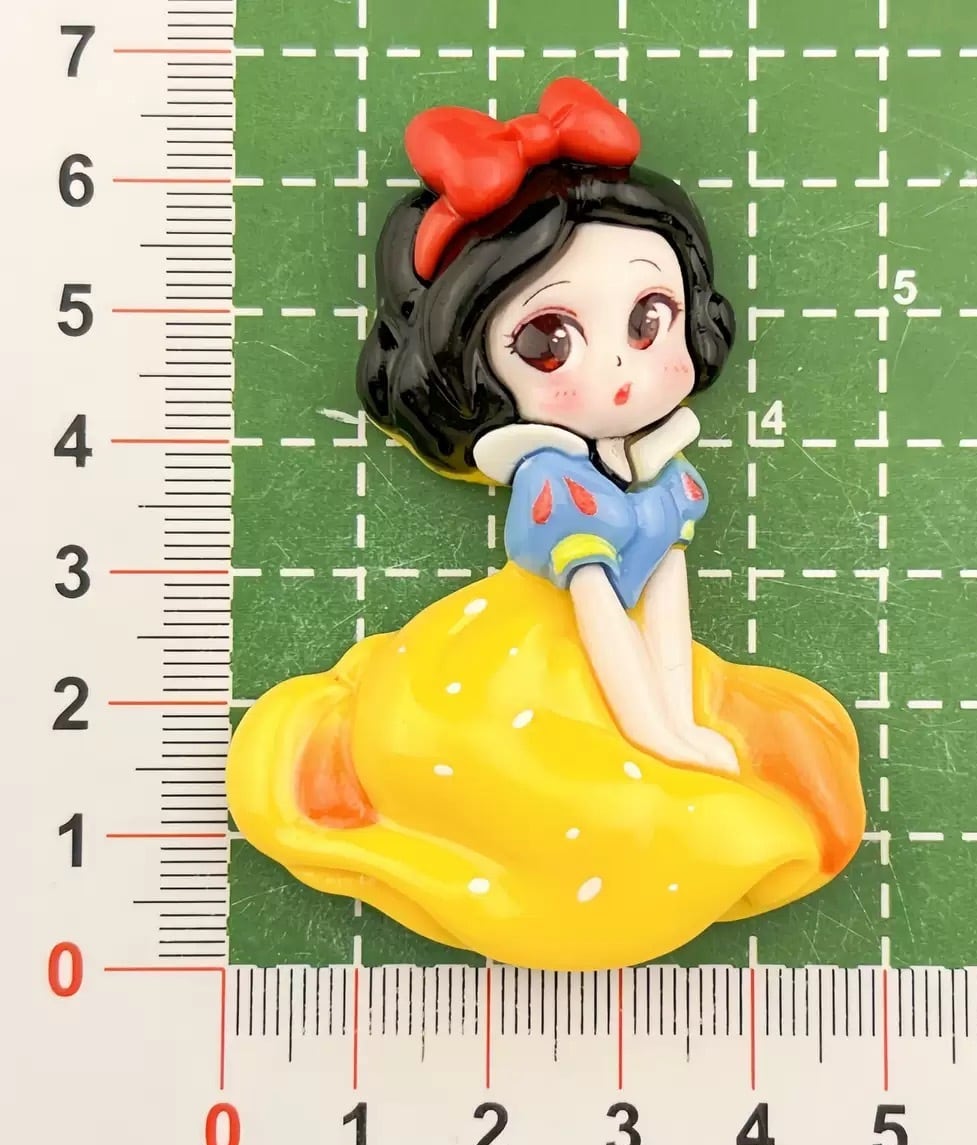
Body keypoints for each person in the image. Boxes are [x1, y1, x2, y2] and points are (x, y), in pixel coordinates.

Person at [226, 78, 866, 971]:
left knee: (711, 755)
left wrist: (681, 719)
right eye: (550, 341)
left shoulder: (661, 470)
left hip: (634, 664)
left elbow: (667, 599)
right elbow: (599, 612)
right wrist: (655, 736)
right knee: (579, 798)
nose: (618, 372)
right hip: (537, 655)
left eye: (649, 320)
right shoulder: (559, 490)